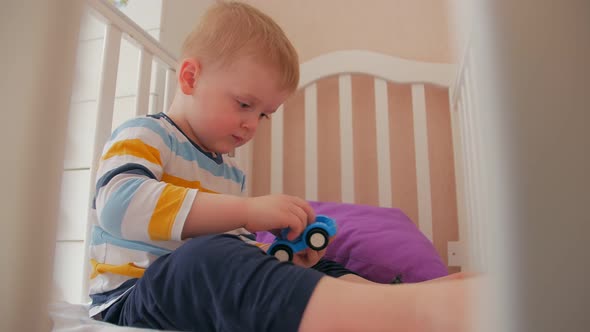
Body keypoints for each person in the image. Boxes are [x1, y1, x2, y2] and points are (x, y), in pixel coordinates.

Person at [88, 1, 476, 331]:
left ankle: (397, 299)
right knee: (201, 261)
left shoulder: (229, 174)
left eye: (264, 115)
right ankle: (420, 312)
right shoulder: (147, 133)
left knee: (314, 268)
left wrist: (282, 257)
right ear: (190, 77)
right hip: (132, 303)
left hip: (201, 299)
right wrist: (250, 210)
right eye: (244, 105)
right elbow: (118, 204)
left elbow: (236, 256)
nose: (252, 125)